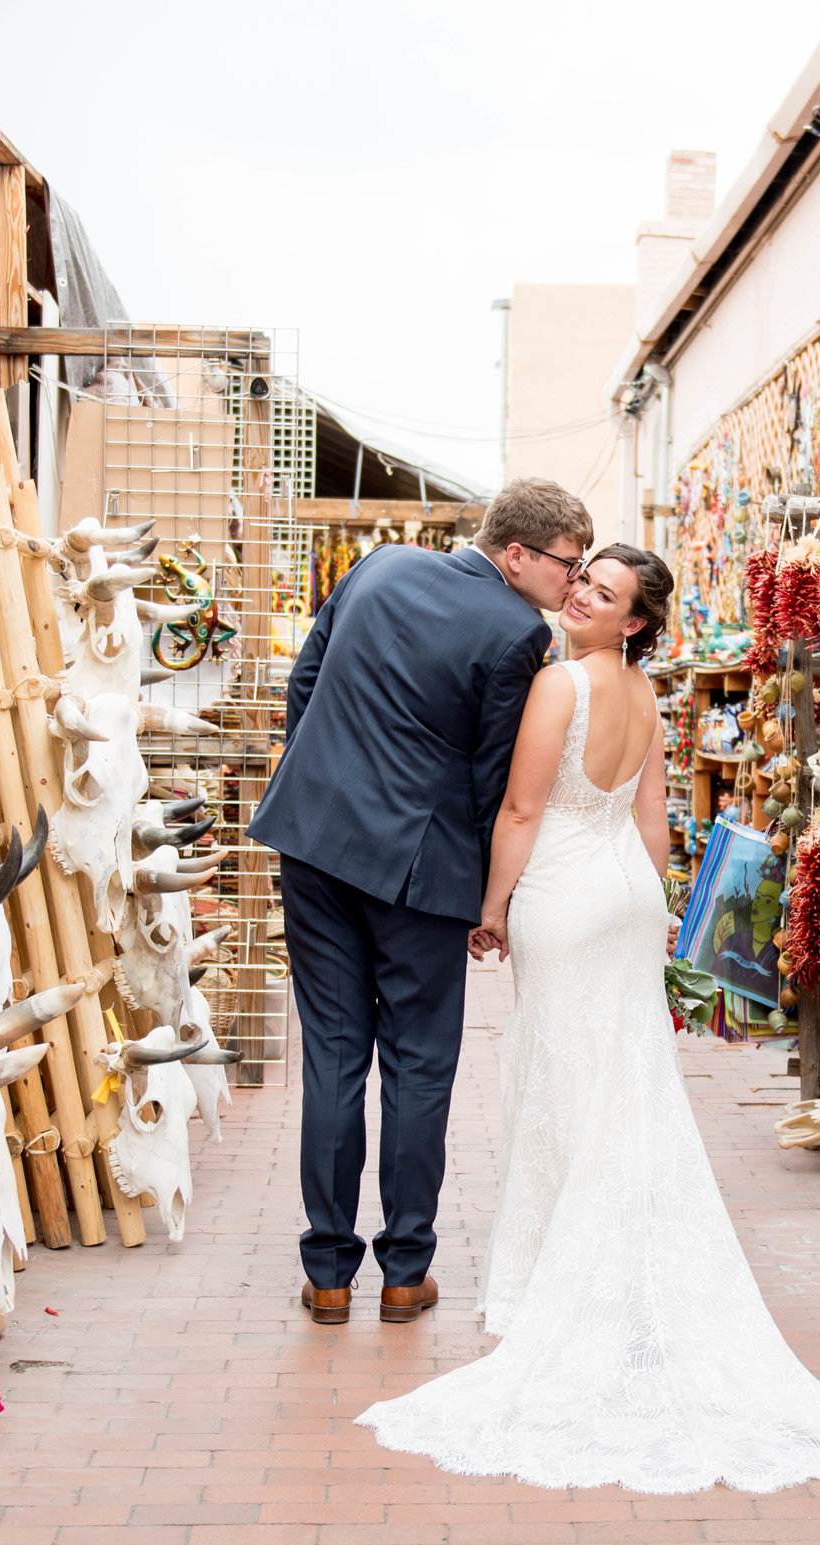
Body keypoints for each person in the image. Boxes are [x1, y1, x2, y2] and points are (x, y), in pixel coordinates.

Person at [356, 545, 820, 1493]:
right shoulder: (646, 696)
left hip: (566, 894)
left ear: (632, 619)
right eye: (582, 577)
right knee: (622, 1079)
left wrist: (492, 906)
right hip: (625, 891)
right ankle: (602, 1274)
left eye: (605, 592)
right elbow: (656, 821)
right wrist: (659, 909)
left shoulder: (560, 685)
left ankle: (562, 1286)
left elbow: (521, 807)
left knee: (560, 1079)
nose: (580, 592)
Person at [249, 478, 590, 1326]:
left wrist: (326, 783)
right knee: (418, 1065)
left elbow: (306, 682)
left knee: (331, 1054)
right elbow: (490, 776)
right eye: (566, 564)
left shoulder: (380, 564)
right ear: (516, 553)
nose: (573, 583)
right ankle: (407, 1271)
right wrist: (487, 896)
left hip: (315, 841)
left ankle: (328, 1273)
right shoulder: (518, 633)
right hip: (419, 871)